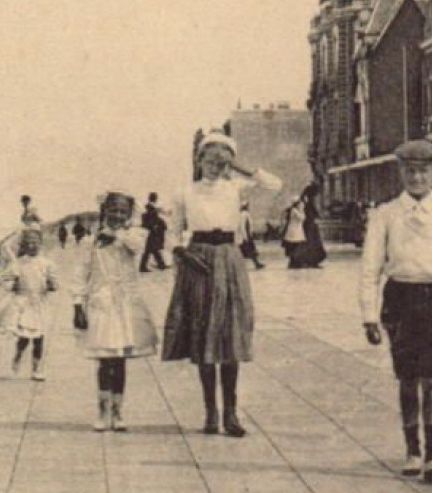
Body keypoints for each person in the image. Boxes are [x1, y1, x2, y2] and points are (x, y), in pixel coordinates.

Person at [361, 140, 432, 482]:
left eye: (423, 171)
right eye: (410, 171)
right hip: (399, 299)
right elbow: (370, 268)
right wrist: (369, 315)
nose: (417, 178)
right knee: (408, 378)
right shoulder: (385, 215)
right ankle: (412, 451)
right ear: (401, 173)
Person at [162, 132, 283, 437]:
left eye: (221, 160)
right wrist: (182, 253)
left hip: (229, 259)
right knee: (204, 338)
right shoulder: (185, 192)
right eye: (210, 158)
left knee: (229, 338)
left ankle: (231, 413)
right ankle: (210, 413)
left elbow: (274, 185)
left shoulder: (236, 187)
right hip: (198, 260)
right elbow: (173, 233)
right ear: (199, 160)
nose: (215, 165)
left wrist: (238, 166)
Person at [74, 192, 159, 431]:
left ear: (129, 215)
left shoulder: (136, 236)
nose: (117, 215)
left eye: (123, 212)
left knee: (120, 360)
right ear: (104, 211)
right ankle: (102, 410)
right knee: (104, 359)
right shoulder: (89, 242)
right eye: (113, 210)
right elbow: (80, 274)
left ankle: (118, 411)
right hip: (101, 302)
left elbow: (136, 247)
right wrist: (77, 304)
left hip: (125, 304)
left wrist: (116, 233)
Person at [0, 228, 58, 381]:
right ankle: (18, 355)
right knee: (24, 338)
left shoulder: (47, 263)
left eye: (35, 242)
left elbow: (55, 283)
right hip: (24, 303)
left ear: (40, 244)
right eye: (29, 242)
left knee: (39, 338)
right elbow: (8, 280)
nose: (32, 245)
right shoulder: (18, 263)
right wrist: (12, 284)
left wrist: (52, 284)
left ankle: (36, 368)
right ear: (24, 245)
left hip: (40, 303)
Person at [139, 193, 171, 273]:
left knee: (152, 249)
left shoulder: (152, 207)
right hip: (152, 230)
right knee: (150, 249)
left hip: (152, 230)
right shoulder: (151, 207)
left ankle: (160, 264)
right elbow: (151, 217)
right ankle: (144, 267)